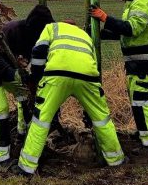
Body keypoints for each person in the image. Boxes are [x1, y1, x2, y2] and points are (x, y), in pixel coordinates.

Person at [14, 20, 125, 175]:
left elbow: (38, 52)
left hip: (57, 75)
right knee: (102, 119)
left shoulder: (51, 27)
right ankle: (116, 160)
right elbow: (93, 61)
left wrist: (37, 79)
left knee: (41, 119)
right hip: (88, 77)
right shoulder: (85, 36)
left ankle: (27, 167)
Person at [89, 0, 148, 149]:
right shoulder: (134, 0)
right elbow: (124, 32)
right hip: (139, 61)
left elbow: (131, 28)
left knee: (141, 100)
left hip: (147, 61)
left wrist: (105, 18)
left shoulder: (143, 1)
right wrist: (99, 34)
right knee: (137, 99)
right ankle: (144, 131)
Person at [0, 4, 55, 164]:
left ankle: (22, 136)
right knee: (1, 109)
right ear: (33, 26)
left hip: (11, 70)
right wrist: (14, 74)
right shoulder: (11, 30)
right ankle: (1, 156)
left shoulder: (41, 36)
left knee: (24, 96)